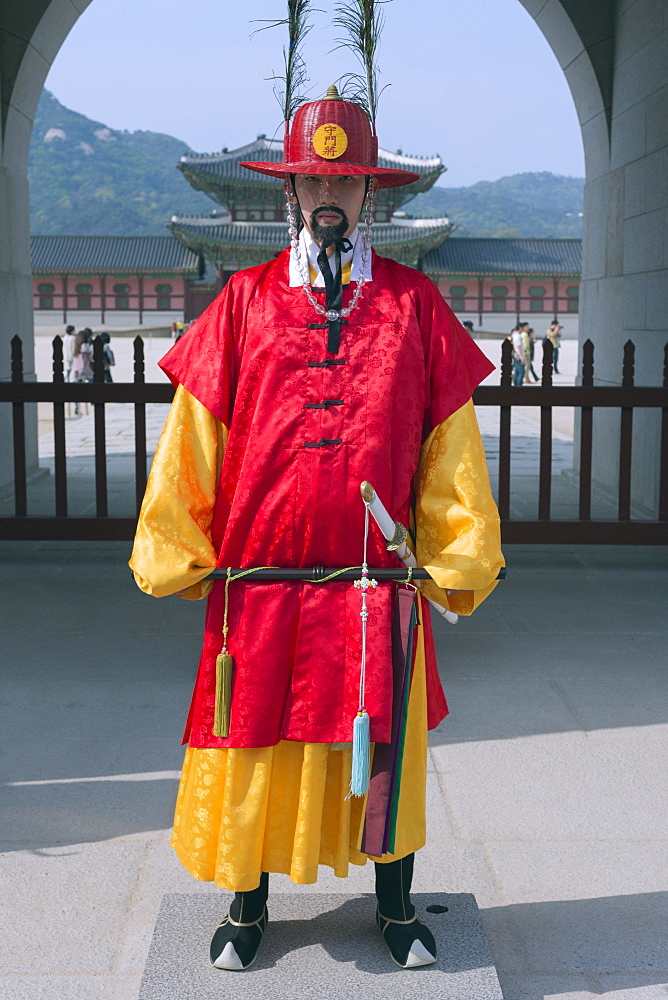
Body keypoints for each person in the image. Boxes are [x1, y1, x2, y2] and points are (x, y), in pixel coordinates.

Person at [130, 79, 504, 973]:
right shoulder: (246, 302)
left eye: (345, 184)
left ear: (370, 191)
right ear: (289, 191)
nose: (328, 197)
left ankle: (396, 902)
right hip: (259, 586)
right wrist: (180, 545)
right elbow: (195, 437)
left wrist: (455, 555)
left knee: (384, 747)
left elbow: (450, 446)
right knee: (252, 739)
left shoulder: (413, 307)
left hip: (376, 587)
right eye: (312, 183)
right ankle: (248, 905)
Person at [71, 328, 93, 414]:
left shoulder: (76, 347)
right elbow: (90, 358)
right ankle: (92, 399)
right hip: (86, 370)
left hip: (76, 371)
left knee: (76, 390)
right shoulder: (86, 346)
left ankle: (76, 406)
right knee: (94, 383)